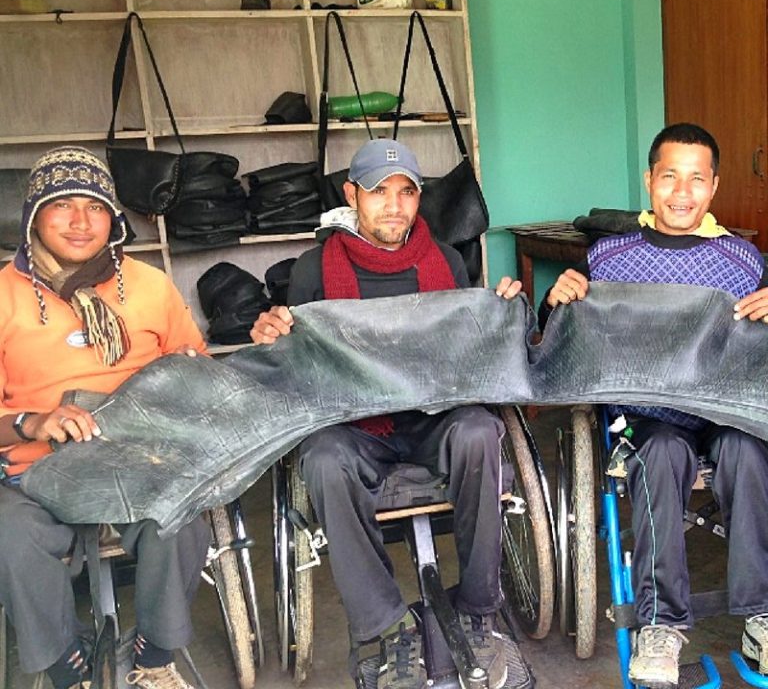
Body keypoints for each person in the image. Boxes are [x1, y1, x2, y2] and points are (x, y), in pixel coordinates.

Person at [251, 138, 522, 689]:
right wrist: (273, 336)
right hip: (357, 425)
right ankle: (384, 625)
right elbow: (301, 366)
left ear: (419, 199)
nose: (394, 206)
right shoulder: (314, 270)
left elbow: (466, 352)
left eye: (407, 192)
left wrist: (499, 314)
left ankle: (477, 609)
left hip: (432, 416)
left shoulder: (447, 262)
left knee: (479, 431)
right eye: (379, 192)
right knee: (323, 460)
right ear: (352, 195)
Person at [539, 123, 768, 688]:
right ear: (649, 181)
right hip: (646, 414)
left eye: (696, 179)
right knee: (660, 453)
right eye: (669, 177)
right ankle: (661, 624)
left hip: (721, 407)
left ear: (714, 186)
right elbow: (568, 341)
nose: (682, 192)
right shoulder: (609, 258)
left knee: (748, 449)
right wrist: (556, 302)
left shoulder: (743, 260)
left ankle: (762, 614)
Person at [0, 147, 211, 689]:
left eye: (94, 206)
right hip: (36, 469)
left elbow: (199, 370)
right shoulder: (3, 296)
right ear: (33, 216)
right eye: (62, 205)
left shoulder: (148, 285)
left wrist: (187, 380)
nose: (80, 221)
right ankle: (67, 665)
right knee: (10, 531)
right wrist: (32, 422)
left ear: (113, 217)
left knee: (179, 514)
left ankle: (154, 656)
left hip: (140, 458)